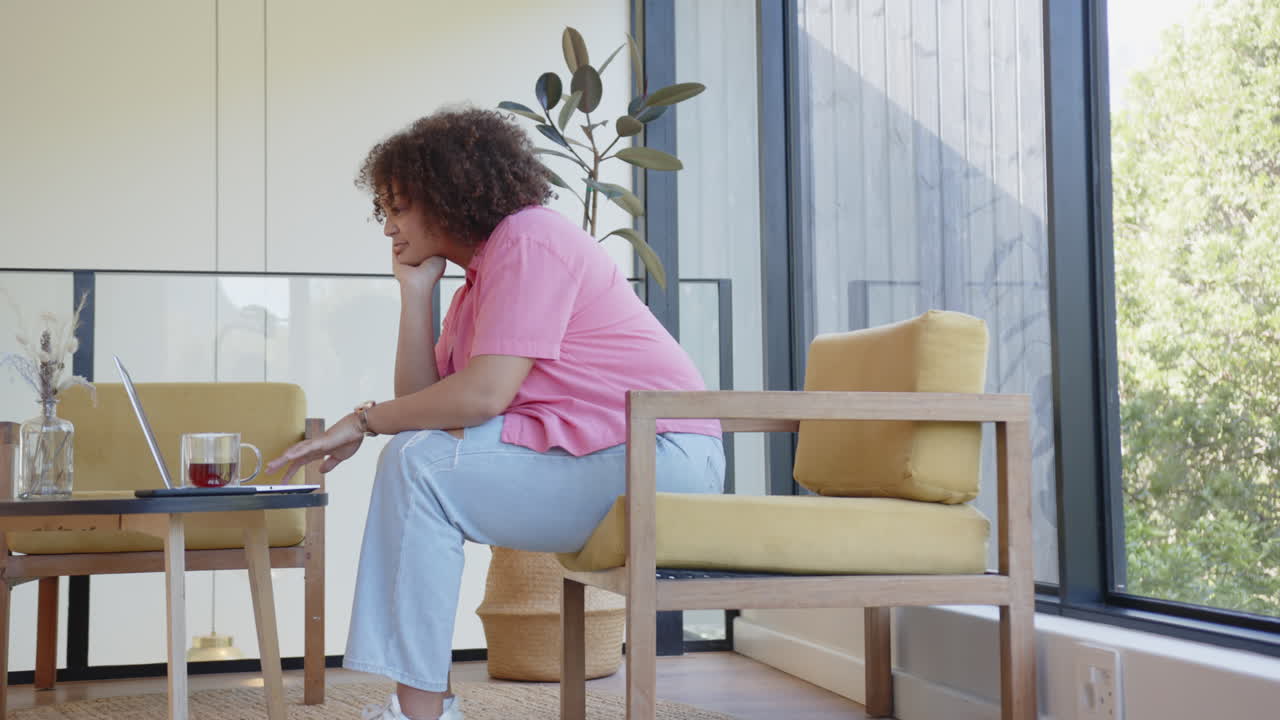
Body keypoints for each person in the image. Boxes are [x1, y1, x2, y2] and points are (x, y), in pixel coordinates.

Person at [264, 108, 725, 720]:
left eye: (399, 208)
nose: (389, 229)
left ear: (446, 195)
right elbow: (428, 409)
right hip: (604, 457)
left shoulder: (532, 238)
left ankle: (420, 710)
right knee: (416, 457)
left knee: (418, 465)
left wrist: (366, 419)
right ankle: (422, 707)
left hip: (659, 457)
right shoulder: (474, 288)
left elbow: (482, 398)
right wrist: (416, 293)